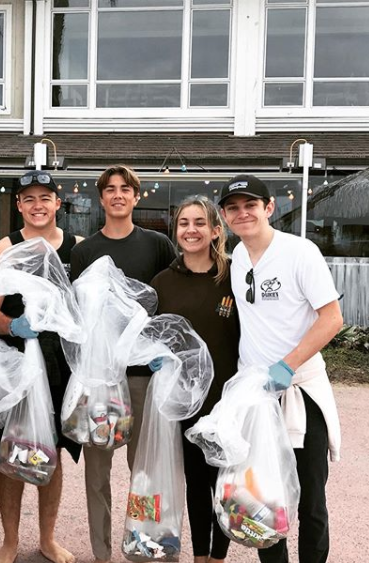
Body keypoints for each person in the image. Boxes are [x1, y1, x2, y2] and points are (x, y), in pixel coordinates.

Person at [218, 174, 343, 563]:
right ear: (224, 216)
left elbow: (332, 318)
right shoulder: (237, 257)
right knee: (262, 498)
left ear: (269, 208)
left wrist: (286, 366)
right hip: (257, 398)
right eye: (233, 207)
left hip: (299, 391)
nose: (243, 213)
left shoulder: (299, 252)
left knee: (309, 500)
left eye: (250, 205)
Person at [70, 164, 175, 563]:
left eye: (124, 189)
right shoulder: (84, 251)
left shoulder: (157, 245)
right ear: (101, 199)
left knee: (143, 470)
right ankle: (102, 554)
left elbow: (168, 304)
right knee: (97, 476)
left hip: (143, 378)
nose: (117, 195)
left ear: (135, 196)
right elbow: (78, 318)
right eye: (110, 189)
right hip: (99, 381)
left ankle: (143, 544)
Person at [0, 170, 82, 563]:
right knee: (11, 452)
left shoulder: (78, 248)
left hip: (61, 366)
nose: (38, 206)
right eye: (29, 199)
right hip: (14, 362)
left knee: (50, 450)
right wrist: (13, 326)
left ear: (59, 203)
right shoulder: (2, 250)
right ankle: (9, 541)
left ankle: (48, 538)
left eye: (46, 198)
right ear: (19, 205)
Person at [150, 196, 239, 563]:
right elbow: (152, 334)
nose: (191, 229)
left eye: (200, 222)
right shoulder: (163, 282)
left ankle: (219, 556)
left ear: (216, 230)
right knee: (196, 482)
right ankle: (200, 556)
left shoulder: (235, 276)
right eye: (184, 223)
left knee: (225, 482)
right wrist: (153, 357)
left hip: (229, 400)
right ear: (176, 232)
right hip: (186, 401)